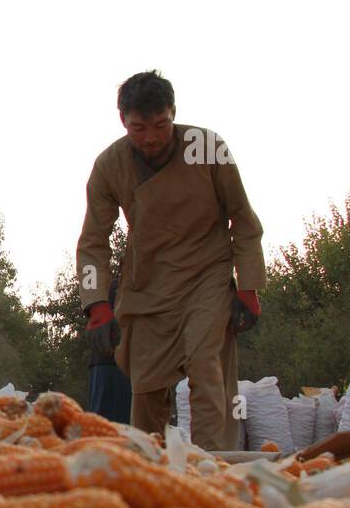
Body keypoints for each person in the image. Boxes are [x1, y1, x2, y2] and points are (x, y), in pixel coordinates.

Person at [76, 71, 265, 451]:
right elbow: (93, 242)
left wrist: (248, 287)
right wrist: (96, 304)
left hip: (206, 274)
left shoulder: (207, 147)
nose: (151, 138)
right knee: (146, 387)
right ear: (123, 121)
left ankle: (214, 471)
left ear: (174, 113)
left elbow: (243, 221)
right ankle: (151, 472)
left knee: (205, 366)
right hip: (147, 283)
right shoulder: (109, 165)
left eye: (161, 125)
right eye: (139, 127)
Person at [87, 273, 133, 424]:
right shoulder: (123, 288)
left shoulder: (105, 290)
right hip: (114, 364)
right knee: (113, 425)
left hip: (105, 364)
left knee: (103, 422)